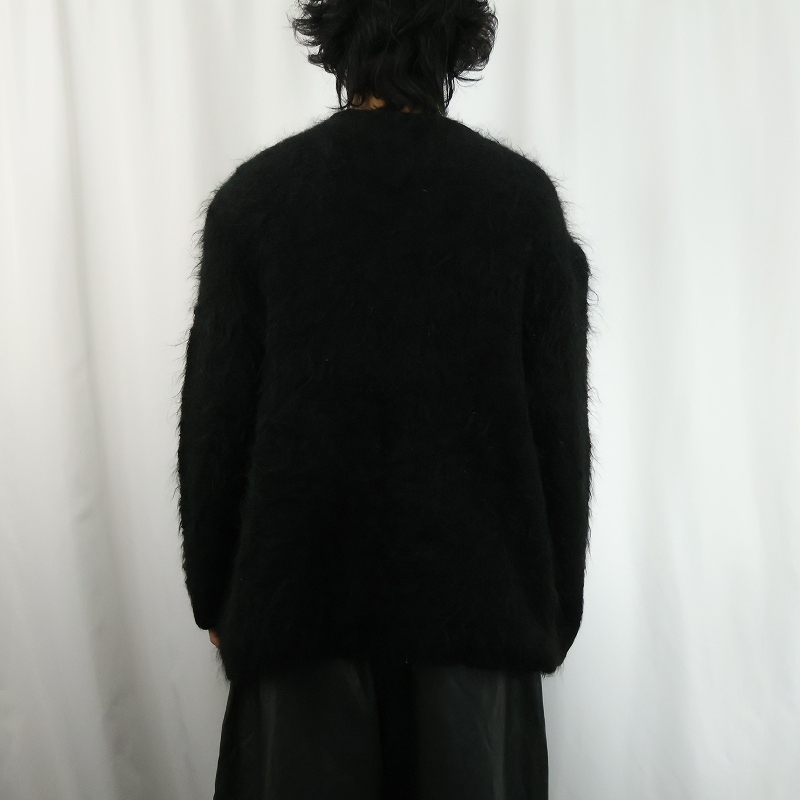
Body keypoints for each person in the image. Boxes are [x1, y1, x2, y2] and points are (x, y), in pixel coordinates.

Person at [176, 0, 593, 797]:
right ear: (458, 36)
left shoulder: (256, 204)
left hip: (299, 619)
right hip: (477, 631)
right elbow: (560, 440)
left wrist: (216, 597)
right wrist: (553, 609)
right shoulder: (521, 206)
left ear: (334, 33)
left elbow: (214, 430)